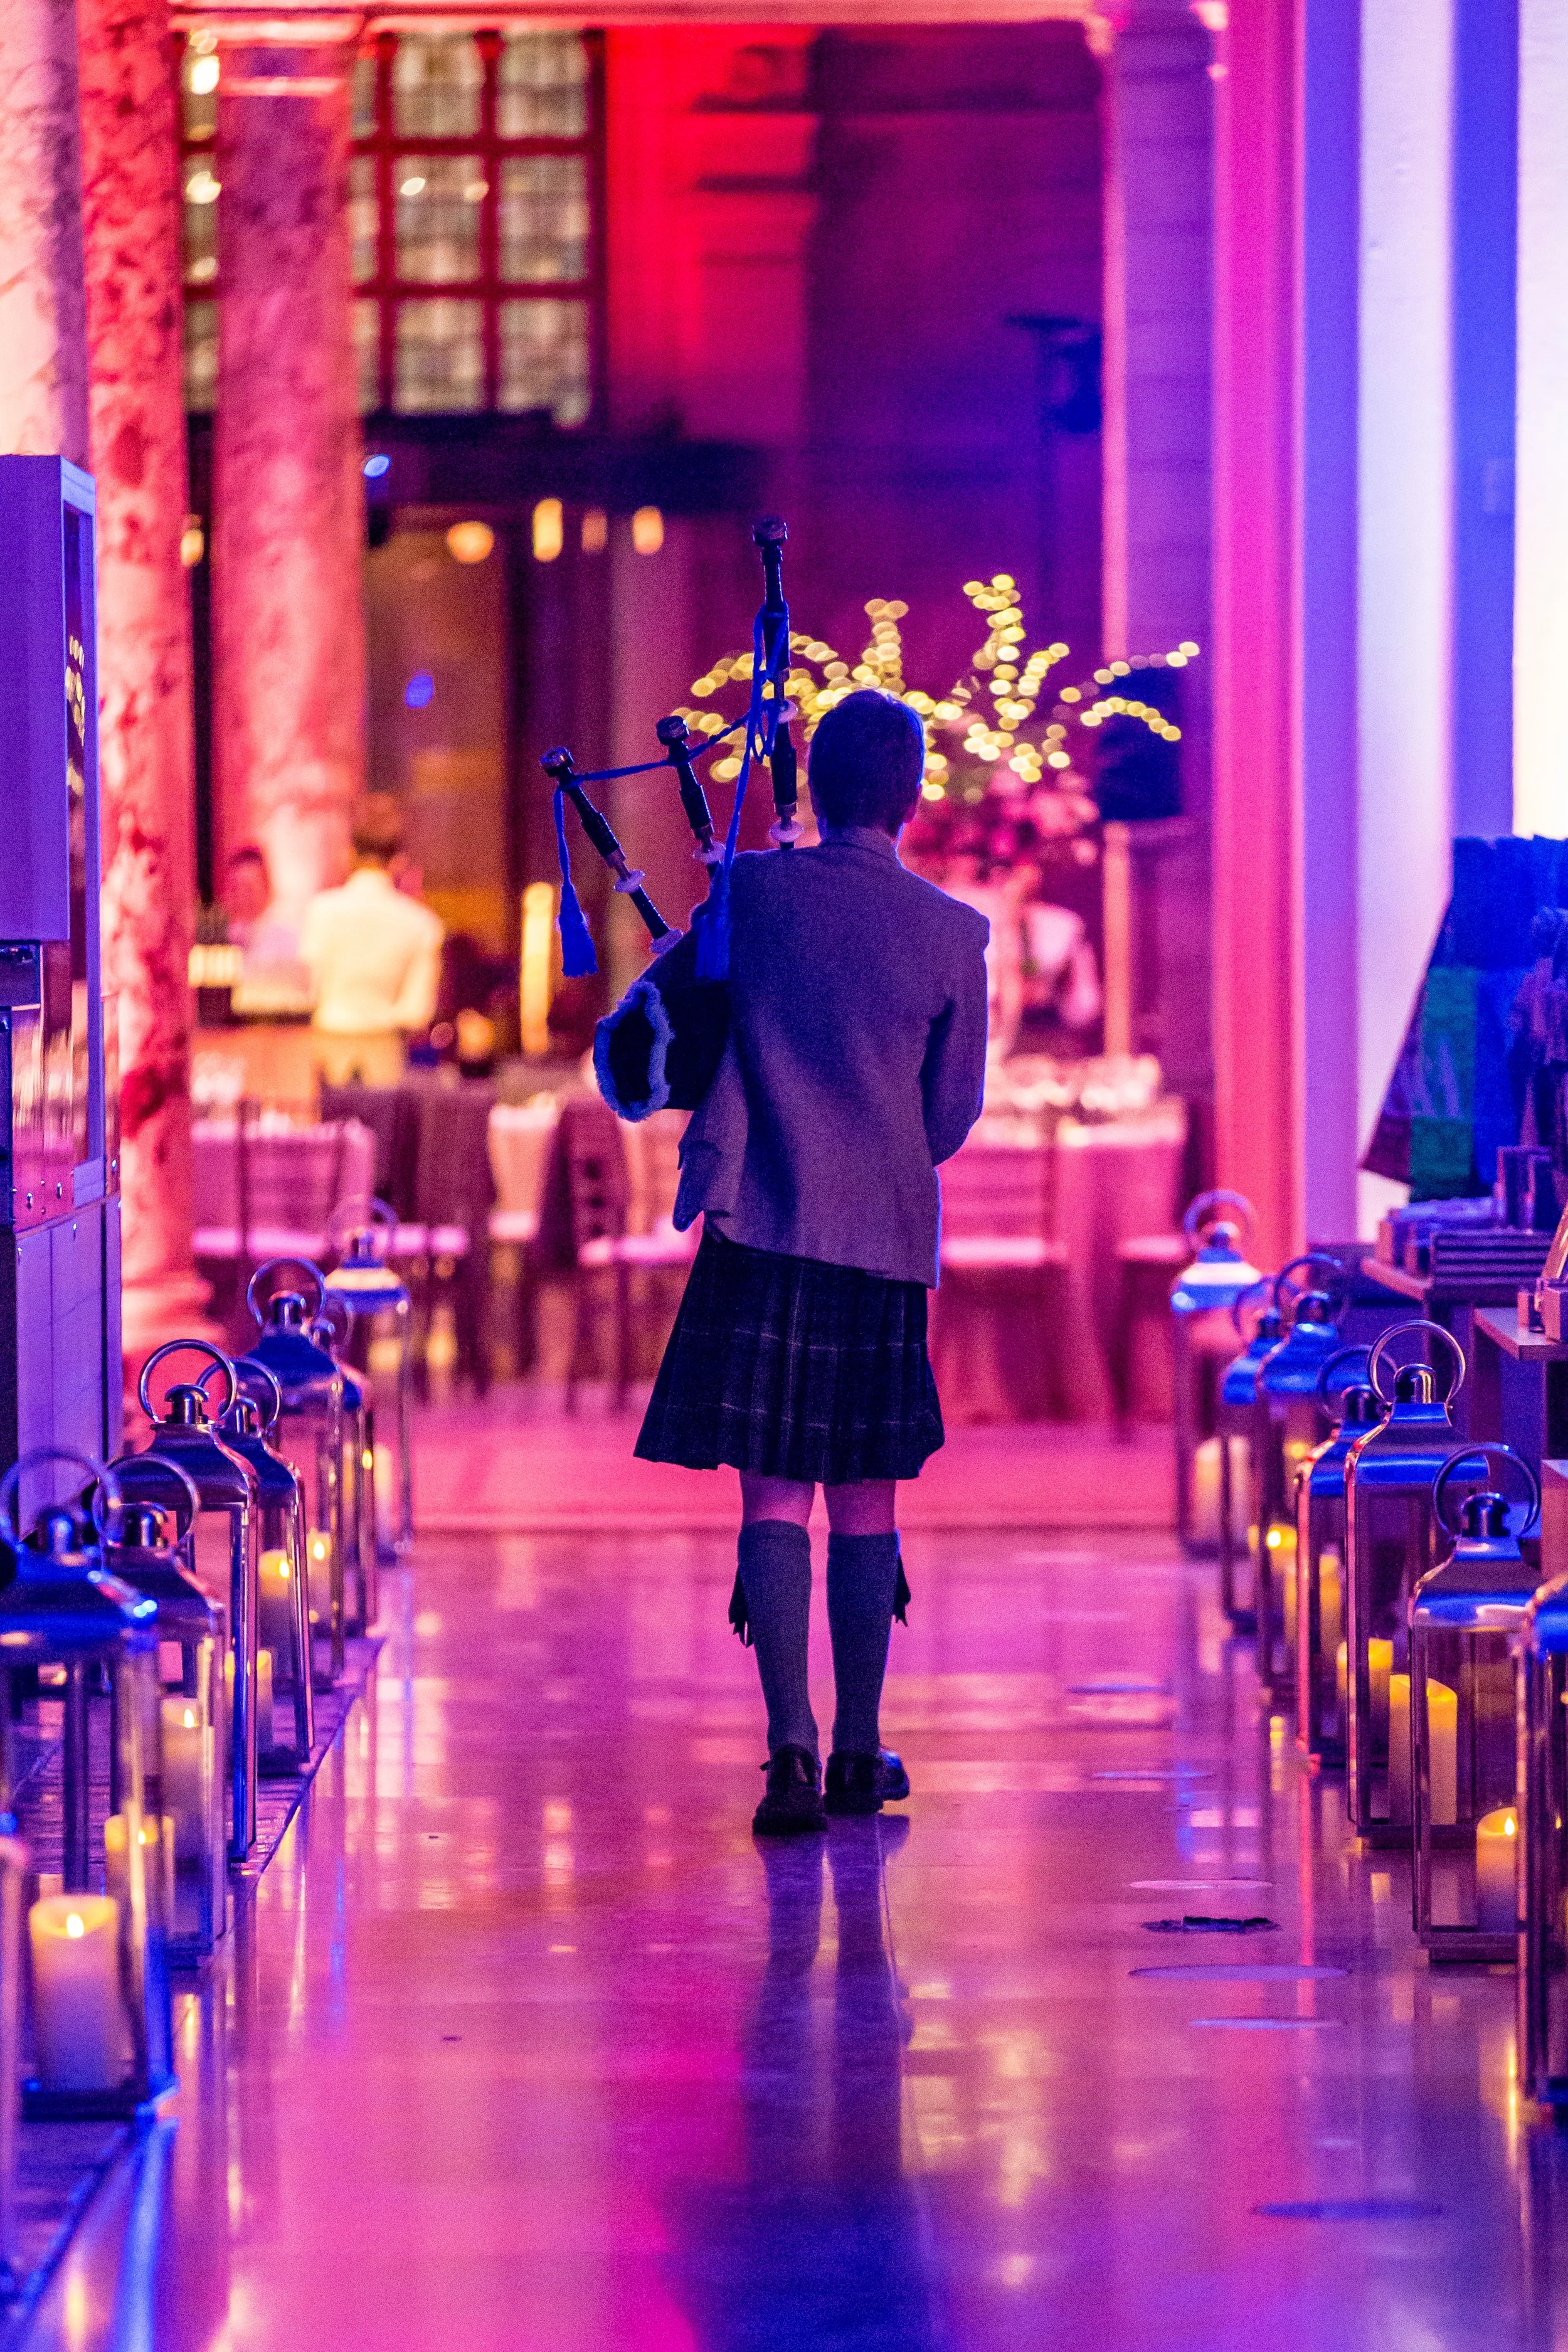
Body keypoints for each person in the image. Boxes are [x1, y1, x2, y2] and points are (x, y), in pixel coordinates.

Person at [635, 689, 989, 1835]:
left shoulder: (753, 895)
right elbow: (950, 1117)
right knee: (866, 1499)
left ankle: (787, 1753)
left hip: (762, 1226)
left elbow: (672, 1032)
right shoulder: (953, 935)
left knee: (775, 1497)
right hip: (877, 1237)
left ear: (816, 786)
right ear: (915, 795)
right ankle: (857, 1751)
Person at [300, 794, 444, 1086]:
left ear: (349, 853)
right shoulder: (423, 924)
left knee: (326, 1132)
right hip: (386, 1056)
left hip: (324, 1054)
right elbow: (417, 1011)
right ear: (398, 861)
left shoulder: (321, 911)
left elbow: (307, 989)